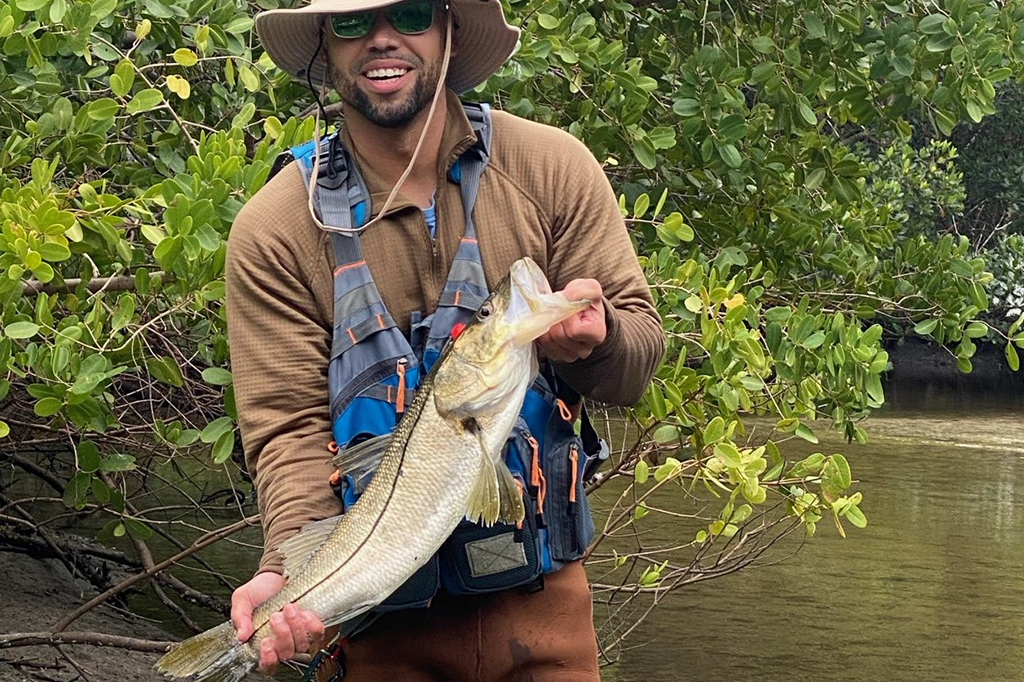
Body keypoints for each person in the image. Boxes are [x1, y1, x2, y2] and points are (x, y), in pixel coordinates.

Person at [224, 0, 665, 679]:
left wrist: (599, 342)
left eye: (410, 14)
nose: (380, 39)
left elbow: (636, 362)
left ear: (450, 30)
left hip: (546, 619)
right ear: (324, 43)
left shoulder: (551, 167)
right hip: (384, 635)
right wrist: (288, 569)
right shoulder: (277, 226)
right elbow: (286, 428)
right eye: (350, 23)